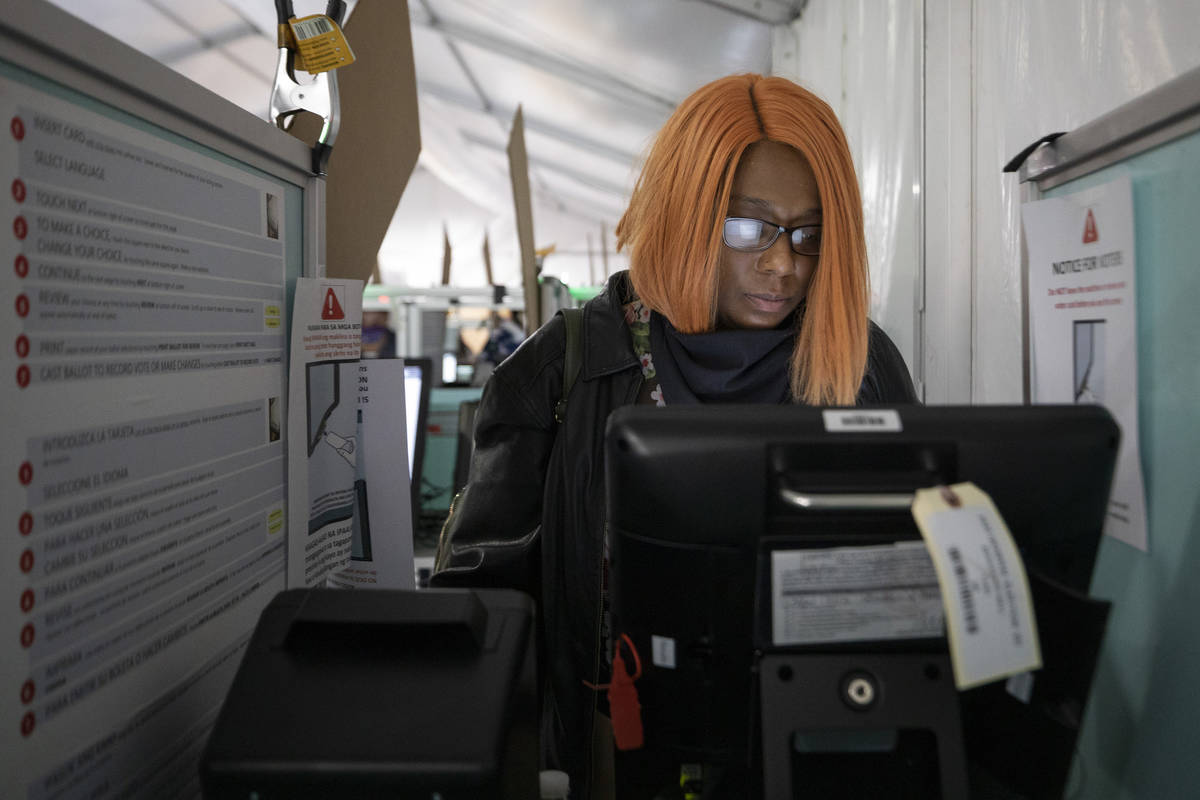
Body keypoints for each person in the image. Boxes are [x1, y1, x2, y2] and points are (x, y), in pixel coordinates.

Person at [431, 73, 917, 798]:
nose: (784, 263)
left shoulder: (861, 364)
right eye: (749, 228)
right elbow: (483, 617)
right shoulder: (564, 370)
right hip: (616, 762)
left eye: (809, 234)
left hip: (807, 753)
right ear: (687, 212)